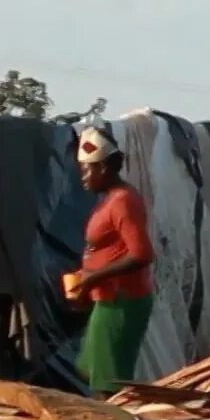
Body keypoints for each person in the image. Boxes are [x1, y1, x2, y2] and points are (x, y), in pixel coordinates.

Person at [66, 127, 155, 394]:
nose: (82, 176)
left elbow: (142, 254)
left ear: (103, 168)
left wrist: (93, 276)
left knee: (108, 381)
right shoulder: (110, 200)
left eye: (87, 169)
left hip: (121, 300)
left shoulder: (123, 201)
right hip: (106, 298)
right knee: (90, 369)